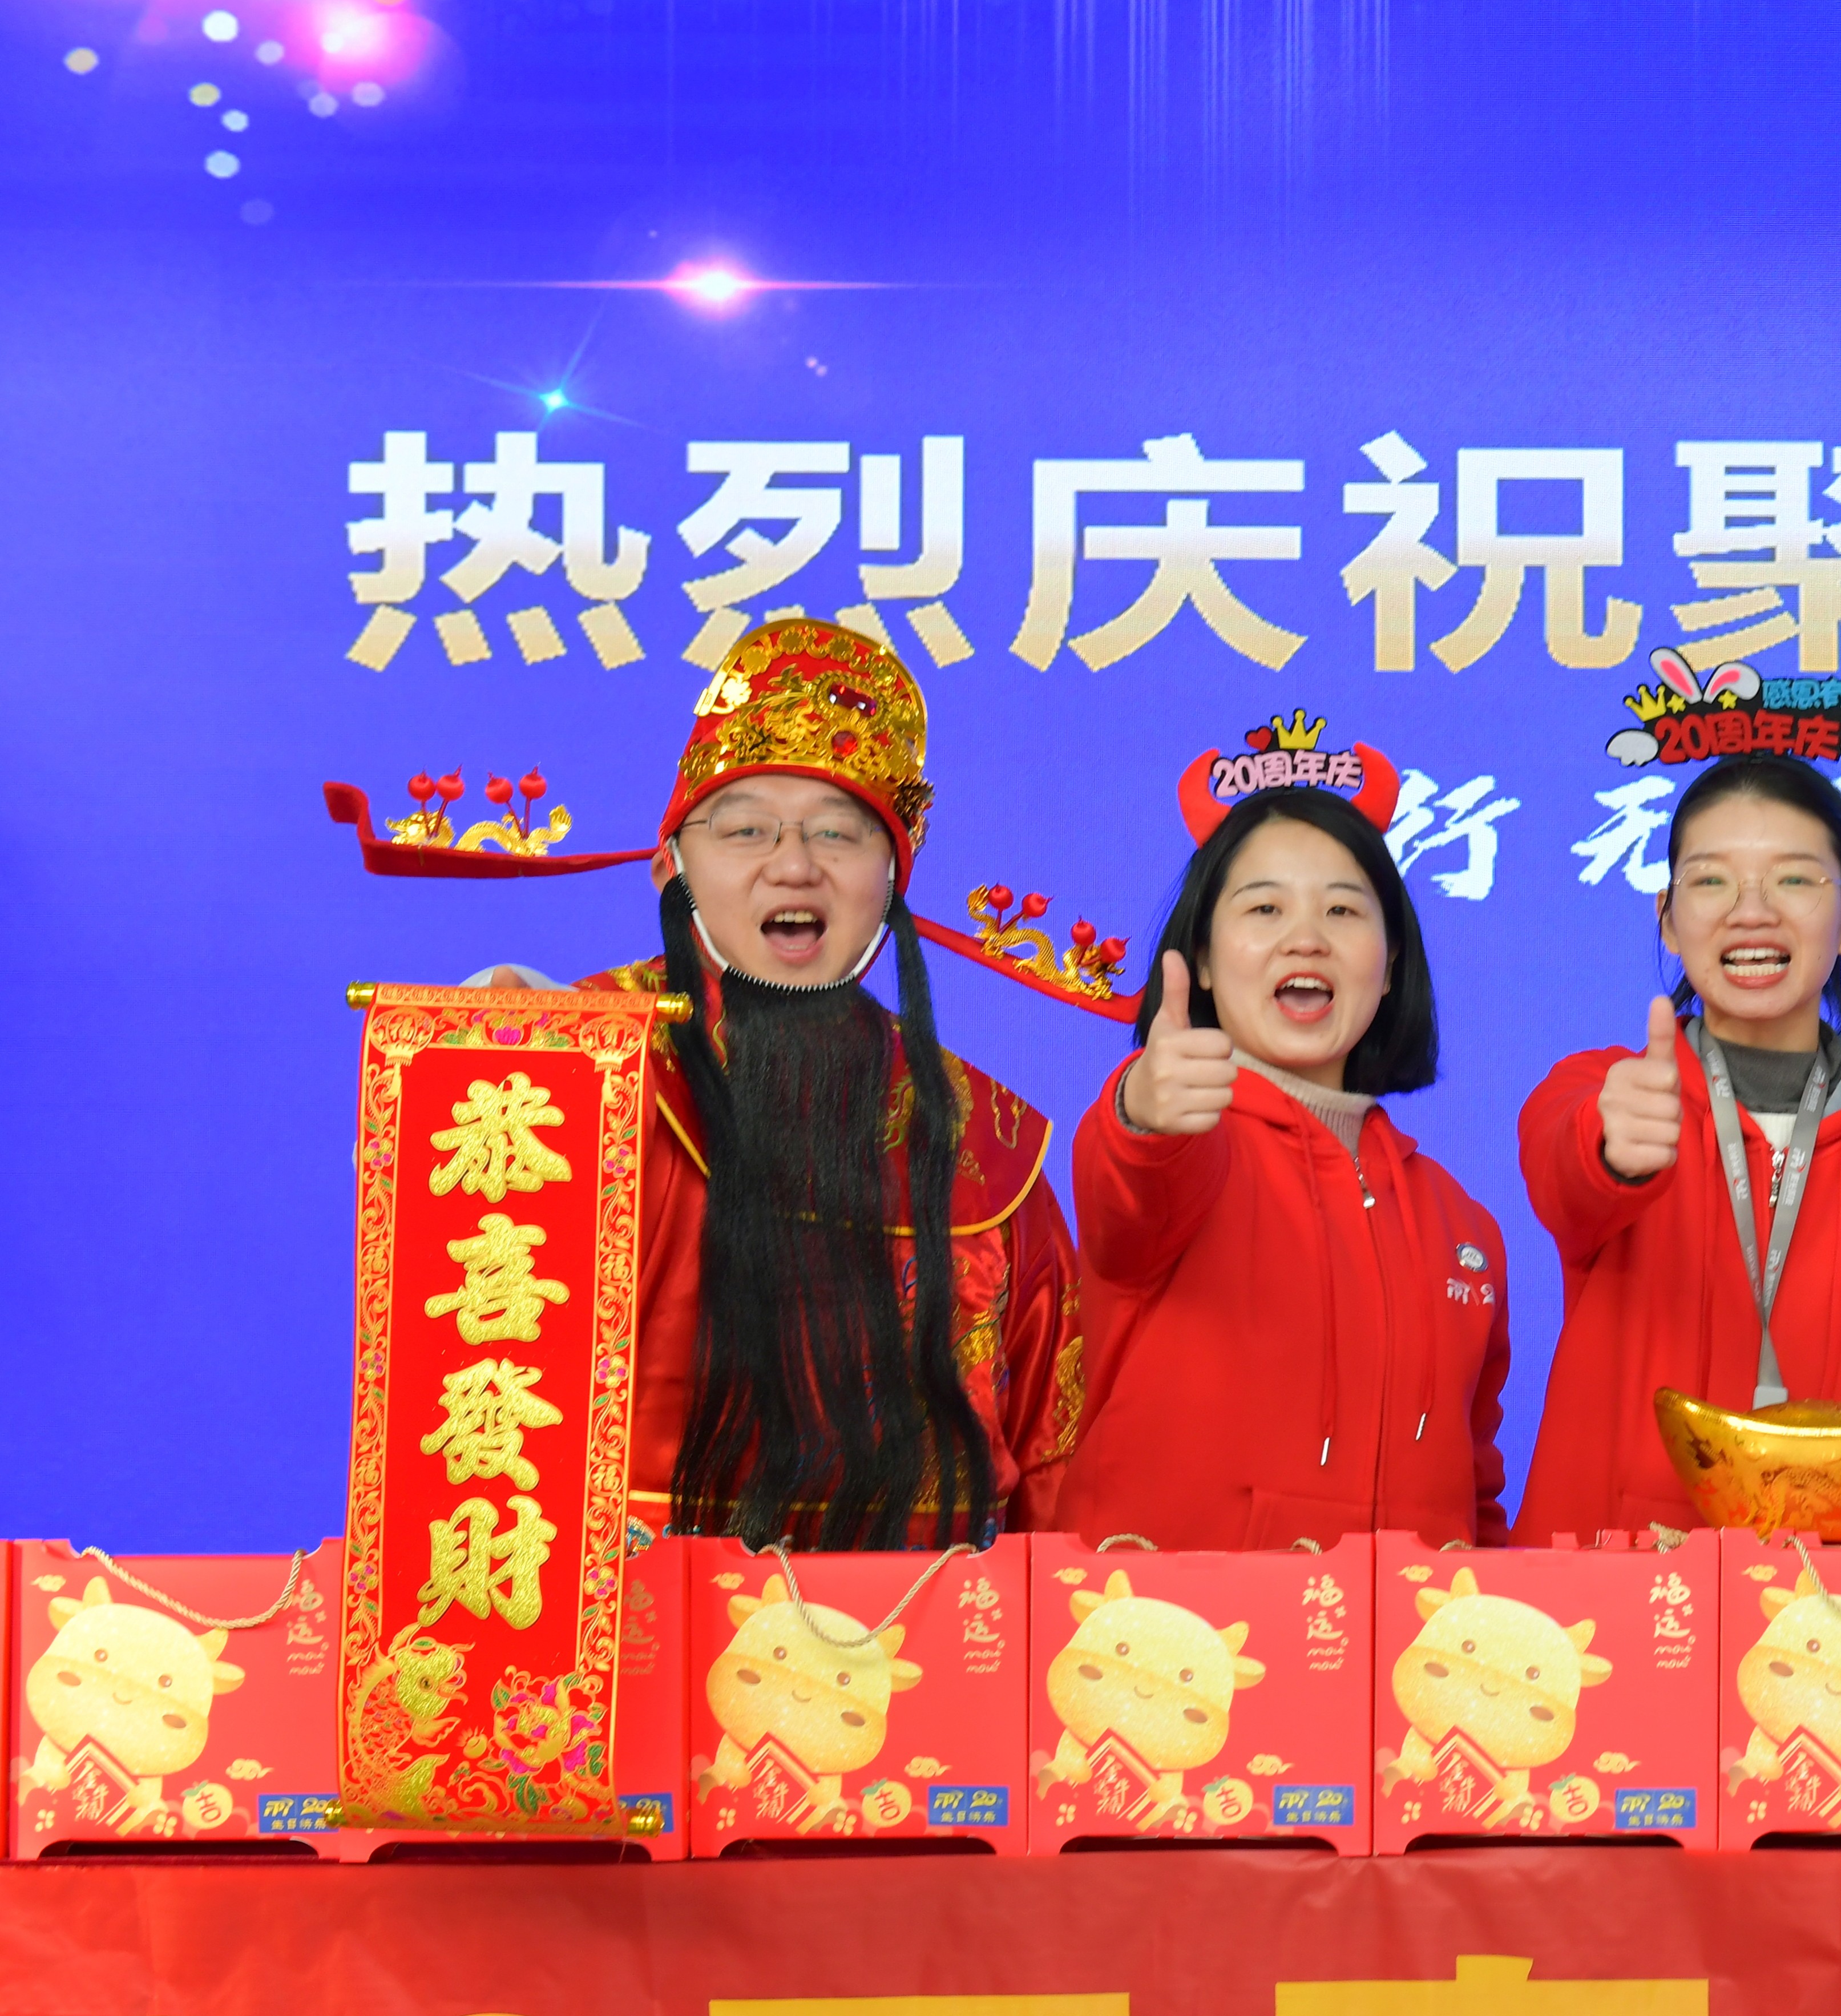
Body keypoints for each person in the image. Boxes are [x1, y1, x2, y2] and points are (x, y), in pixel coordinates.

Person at [583, 620, 1084, 1547]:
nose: (794, 864)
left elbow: (1060, 1476)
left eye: (839, 834)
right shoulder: (583, 1072)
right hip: (626, 1617)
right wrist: (492, 1057)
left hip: (916, 1620)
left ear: (892, 883)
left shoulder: (988, 1148)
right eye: (745, 830)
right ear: (670, 871)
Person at [1515, 753, 1841, 1538]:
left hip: (1836, 1596)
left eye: (1794, 879)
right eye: (1711, 880)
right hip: (1613, 1588)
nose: (1751, 912)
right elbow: (1565, 1173)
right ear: (1668, 918)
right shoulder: (1606, 1094)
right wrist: (1608, 1153)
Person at [1060, 720, 1512, 1550]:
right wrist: (1142, 1114)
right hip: (1163, 1626)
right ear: (1200, 959)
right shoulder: (1185, 1151)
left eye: (1343, 909)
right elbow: (1128, 1180)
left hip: (1410, 1628)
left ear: (1390, 963)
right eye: (1264, 908)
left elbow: (1475, 1494)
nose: (1306, 937)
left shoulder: (1462, 1225)